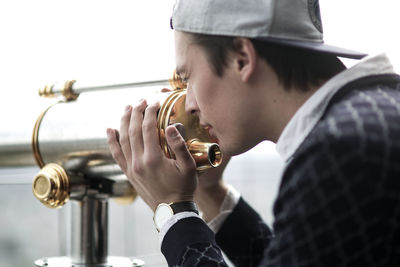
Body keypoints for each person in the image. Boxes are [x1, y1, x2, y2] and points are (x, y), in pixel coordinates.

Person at [106, 0, 400, 266]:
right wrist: (209, 192)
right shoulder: (373, 117)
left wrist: (174, 209)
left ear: (242, 59)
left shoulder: (341, 151)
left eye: (188, 77)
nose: (190, 103)